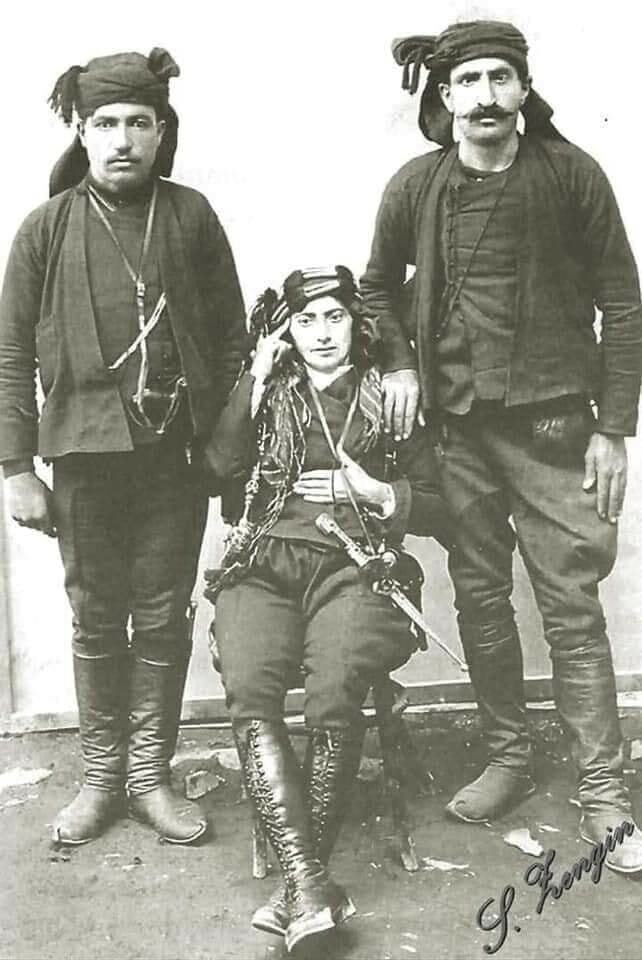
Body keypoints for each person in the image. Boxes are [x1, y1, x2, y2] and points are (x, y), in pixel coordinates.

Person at [360, 19, 642, 874]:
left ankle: (604, 789)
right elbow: (376, 289)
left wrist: (614, 429)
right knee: (481, 597)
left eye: (499, 78)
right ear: (445, 97)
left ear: (522, 88)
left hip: (555, 431)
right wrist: (398, 363)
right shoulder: (416, 187)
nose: (485, 96)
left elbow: (624, 302)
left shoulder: (570, 176)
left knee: (571, 606)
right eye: (468, 82)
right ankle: (508, 756)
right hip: (457, 434)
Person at [0, 48, 246, 846]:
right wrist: (15, 468)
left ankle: (149, 776)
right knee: (96, 618)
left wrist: (224, 449)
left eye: (140, 122)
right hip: (83, 460)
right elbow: (9, 352)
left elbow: (234, 339)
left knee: (164, 617)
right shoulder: (45, 228)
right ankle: (103, 778)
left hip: (174, 461)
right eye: (105, 123)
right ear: (81, 130)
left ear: (161, 131)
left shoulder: (192, 216)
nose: (122, 139)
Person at [204, 266, 452, 952]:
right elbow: (217, 468)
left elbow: (443, 505)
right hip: (263, 565)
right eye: (305, 321)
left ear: (356, 323)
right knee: (249, 685)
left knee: (336, 687)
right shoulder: (267, 391)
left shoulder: (389, 399)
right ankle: (310, 883)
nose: (320, 334)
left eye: (334, 317)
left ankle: (298, 887)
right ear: (287, 330)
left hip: (355, 568)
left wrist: (378, 493)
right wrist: (254, 378)